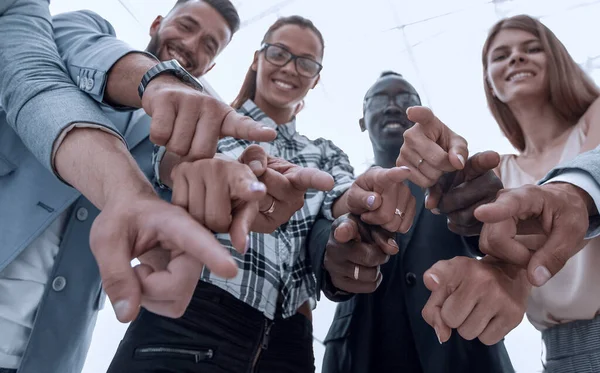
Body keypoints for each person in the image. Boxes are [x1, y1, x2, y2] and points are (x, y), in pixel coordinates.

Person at [107, 16, 416, 373]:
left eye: (306, 63)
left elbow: (341, 198)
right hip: (190, 317)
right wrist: (206, 171)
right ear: (257, 58)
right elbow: (170, 162)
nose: (290, 68)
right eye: (279, 53)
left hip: (289, 340)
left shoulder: (324, 152)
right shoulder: (213, 115)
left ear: (315, 79)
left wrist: (366, 194)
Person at [0, 1, 281, 372]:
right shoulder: (77, 33)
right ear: (157, 23)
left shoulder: (177, 138)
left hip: (45, 356)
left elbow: (174, 181)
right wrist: (158, 81)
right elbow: (74, 53)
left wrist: (225, 178)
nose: (192, 43)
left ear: (211, 66)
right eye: (187, 25)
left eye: (209, 45)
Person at [398, 14, 600, 373]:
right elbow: (501, 247)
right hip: (561, 359)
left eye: (532, 49)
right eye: (501, 55)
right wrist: (441, 174)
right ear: (490, 83)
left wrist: (516, 271)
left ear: (558, 61)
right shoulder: (500, 171)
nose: (516, 58)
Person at [308, 71, 516, 373]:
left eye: (405, 100)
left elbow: (486, 237)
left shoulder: (455, 184)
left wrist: (483, 211)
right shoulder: (340, 191)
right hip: (361, 354)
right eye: (379, 99)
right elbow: (316, 240)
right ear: (362, 120)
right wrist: (330, 255)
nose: (393, 106)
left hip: (461, 354)